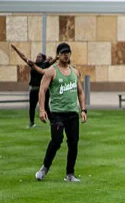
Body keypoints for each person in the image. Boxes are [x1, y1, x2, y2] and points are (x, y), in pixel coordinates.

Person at [35, 43, 87, 182]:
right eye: (63, 53)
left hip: (72, 113)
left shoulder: (75, 72)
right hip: (57, 113)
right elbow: (42, 90)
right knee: (57, 140)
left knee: (73, 143)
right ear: (58, 55)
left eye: (67, 52)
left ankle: (70, 174)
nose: (65, 55)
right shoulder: (51, 71)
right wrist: (42, 109)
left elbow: (80, 92)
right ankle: (45, 167)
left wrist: (83, 110)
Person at [12, 45, 55, 128]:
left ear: (43, 59)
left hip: (43, 90)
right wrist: (16, 50)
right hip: (34, 89)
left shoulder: (46, 64)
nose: (37, 58)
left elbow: (54, 60)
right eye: (37, 56)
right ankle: (31, 123)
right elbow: (24, 57)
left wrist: (56, 57)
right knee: (32, 107)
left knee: (46, 106)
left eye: (39, 57)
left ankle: (52, 122)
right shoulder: (33, 64)